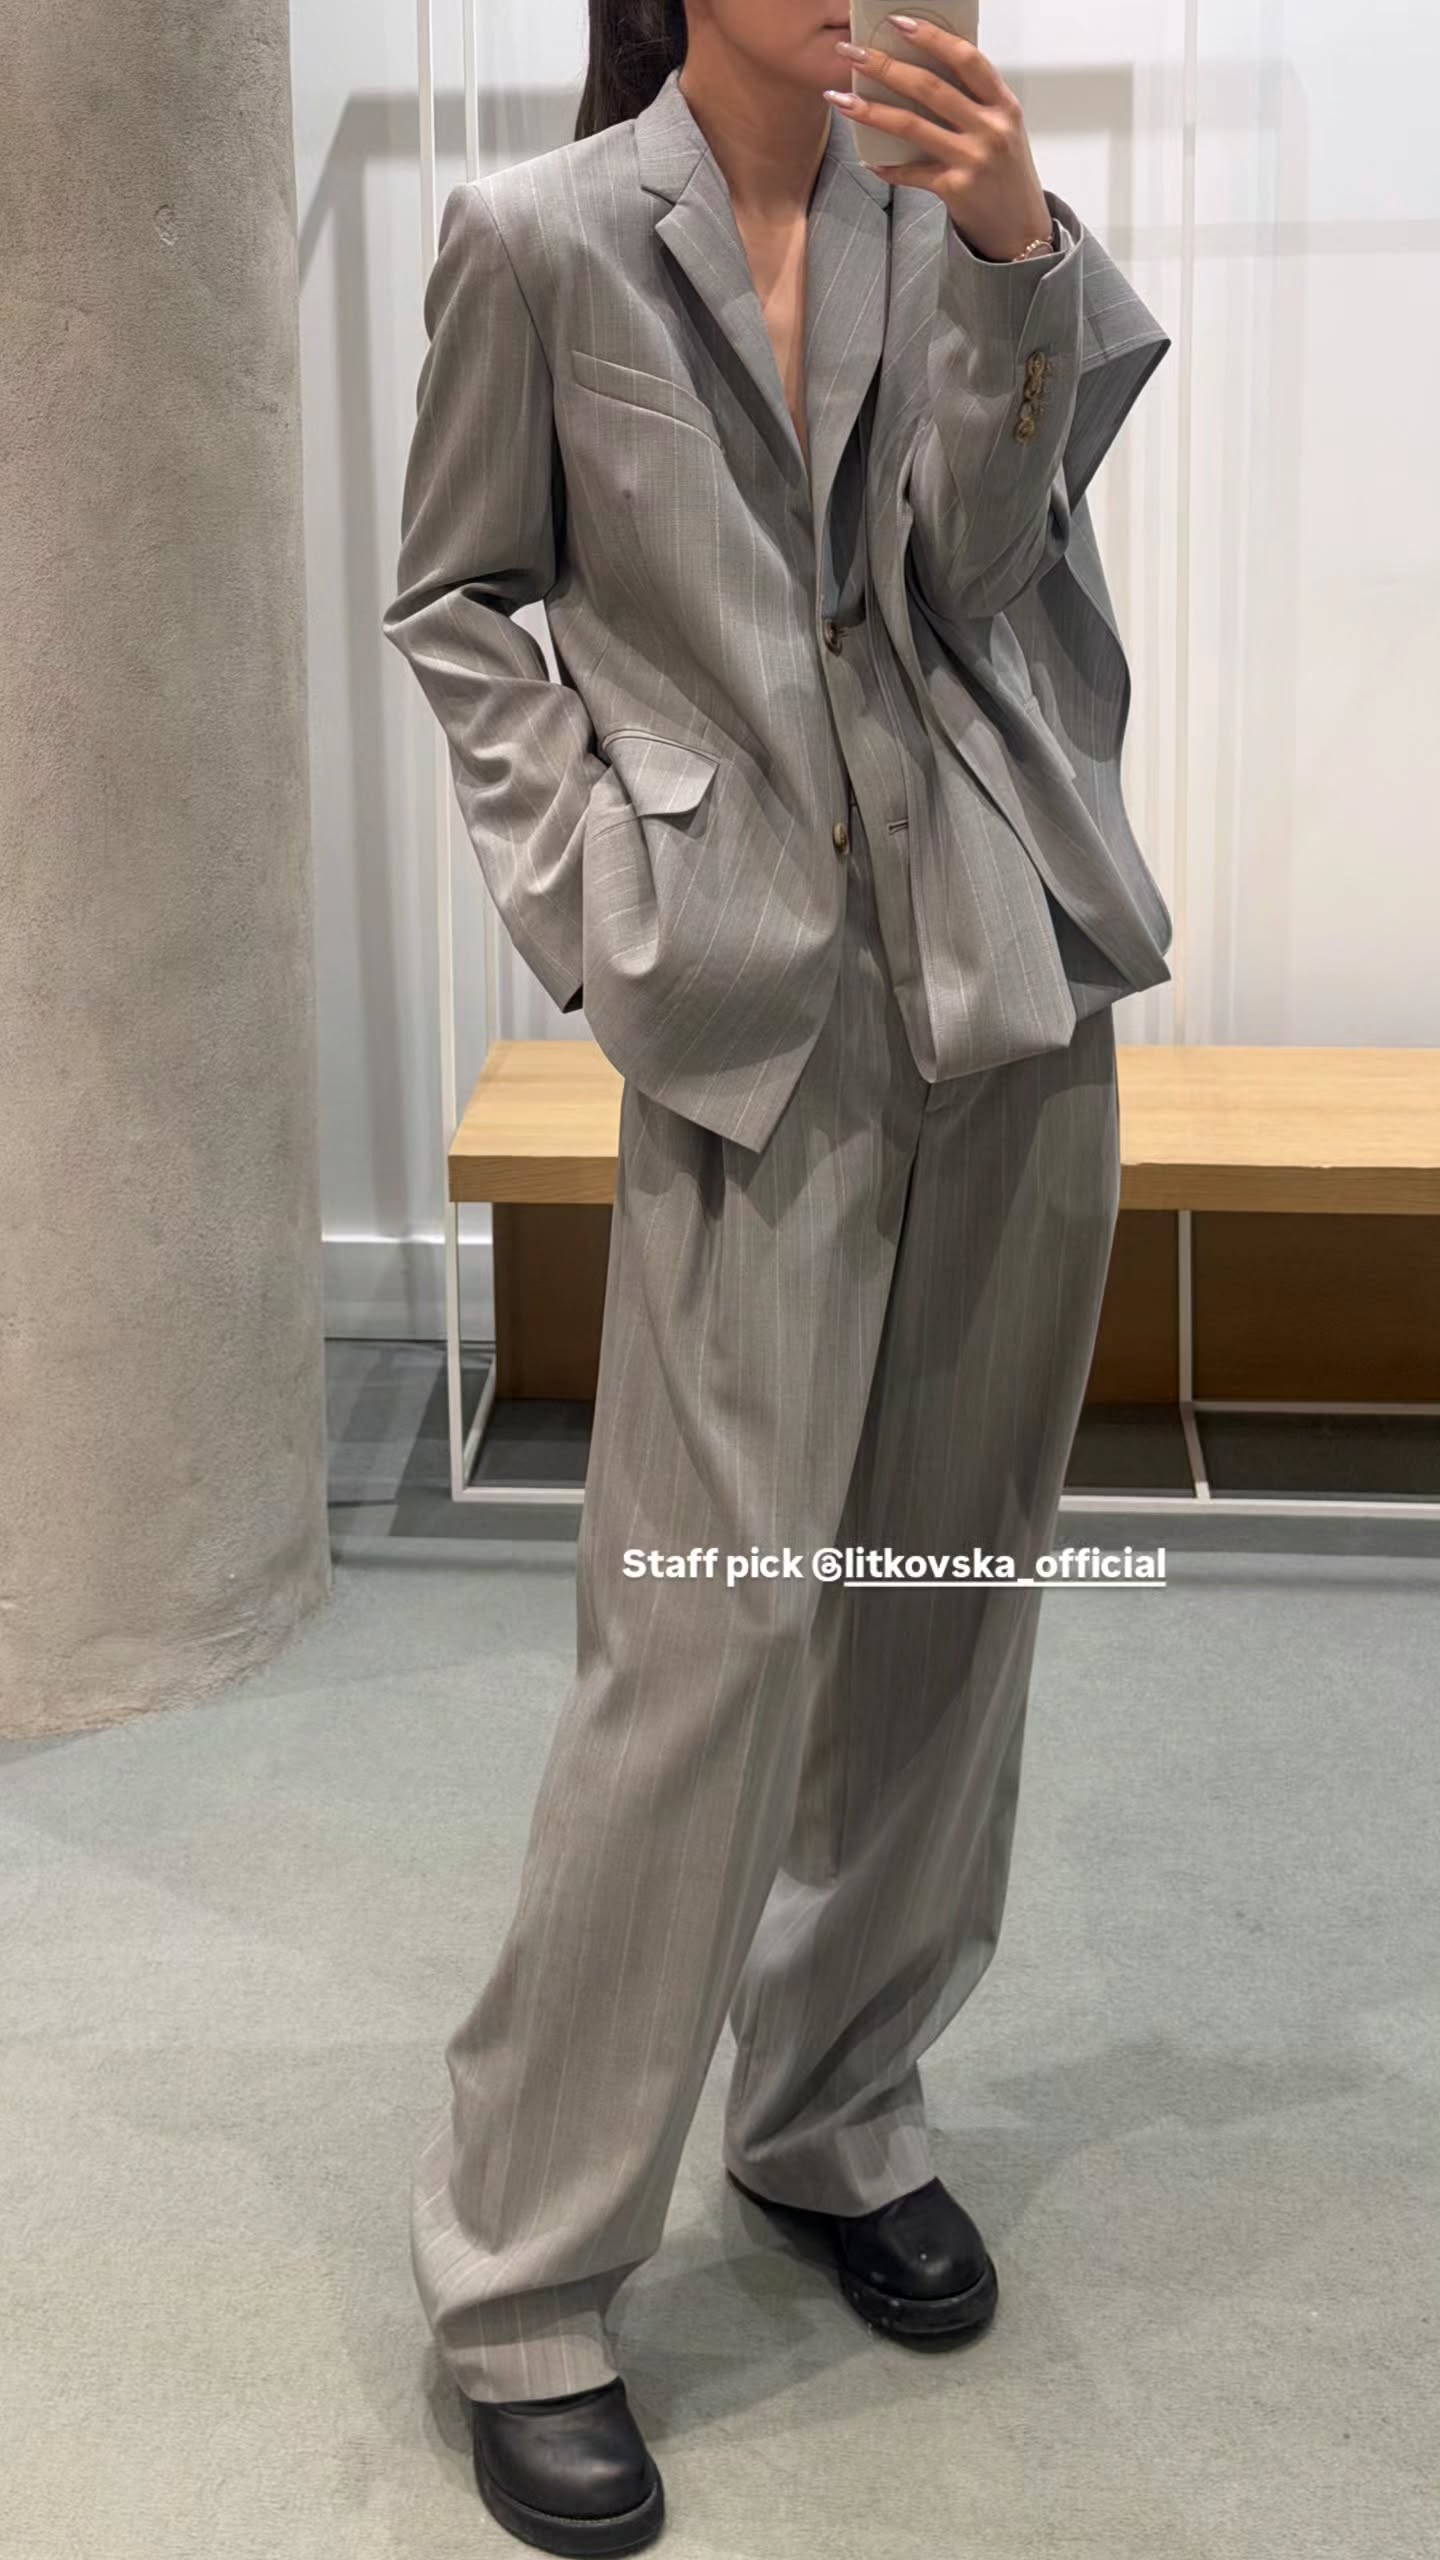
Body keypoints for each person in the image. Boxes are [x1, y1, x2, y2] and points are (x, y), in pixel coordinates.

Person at [383, 3, 1173, 2550]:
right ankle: (524, 2275)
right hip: (749, 1016)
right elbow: (460, 597)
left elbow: (992, 564)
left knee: (946, 1593)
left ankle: (834, 2109)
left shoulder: (953, 214)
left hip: (1006, 978)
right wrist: (604, 888)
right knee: (703, 1643)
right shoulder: (538, 238)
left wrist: (1024, 256)